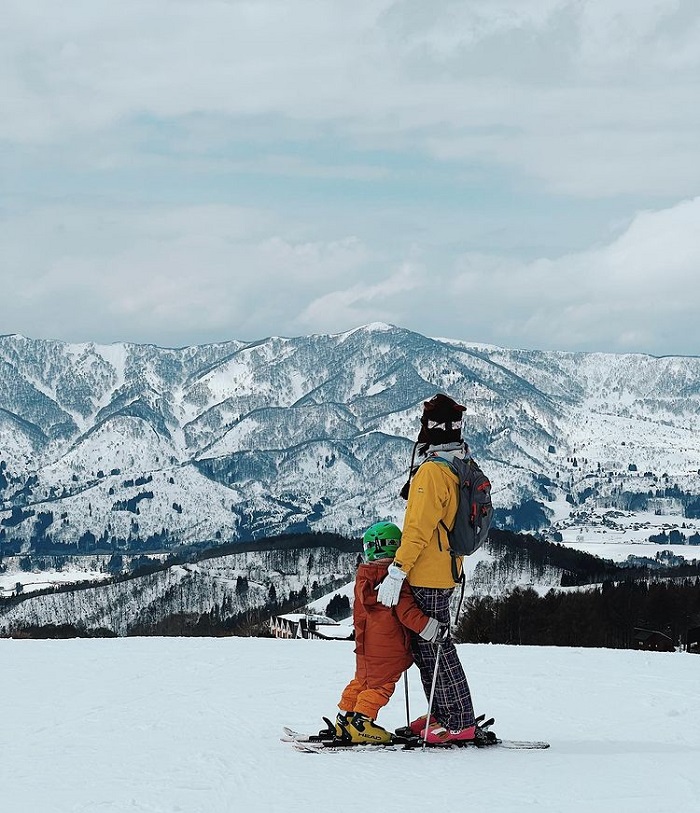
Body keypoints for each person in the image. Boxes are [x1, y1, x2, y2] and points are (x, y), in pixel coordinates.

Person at [377, 393, 487, 744]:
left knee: (435, 645)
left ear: (429, 429)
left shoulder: (432, 471)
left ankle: (458, 720)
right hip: (446, 568)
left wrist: (398, 570)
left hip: (429, 573)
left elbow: (418, 528)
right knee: (429, 643)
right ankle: (444, 712)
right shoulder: (458, 462)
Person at [333, 521, 448, 745]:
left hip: (365, 648)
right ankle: (361, 724)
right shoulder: (393, 582)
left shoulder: (363, 579)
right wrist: (432, 628)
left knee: (363, 682)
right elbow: (407, 613)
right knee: (380, 687)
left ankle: (344, 719)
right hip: (389, 650)